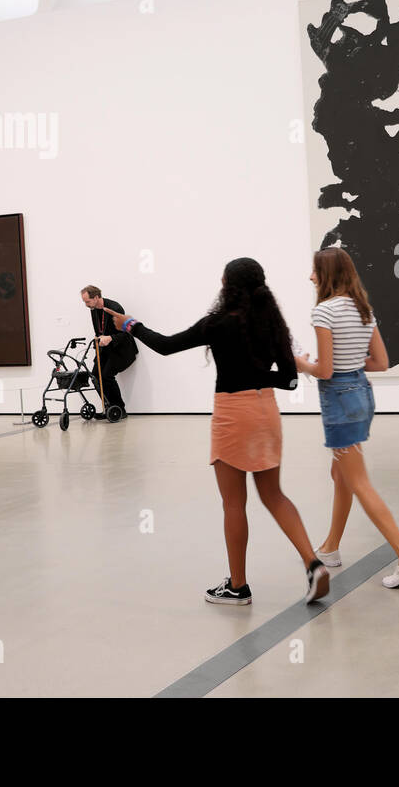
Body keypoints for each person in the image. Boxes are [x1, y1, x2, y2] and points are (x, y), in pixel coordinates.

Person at [103, 258, 329, 606]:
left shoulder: (217, 323)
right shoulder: (272, 322)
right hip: (265, 411)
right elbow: (289, 379)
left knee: (233, 503)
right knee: (274, 495)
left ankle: (237, 587)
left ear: (228, 285)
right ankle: (313, 563)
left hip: (232, 415)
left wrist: (130, 324)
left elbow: (166, 345)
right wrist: (257, 379)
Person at [295, 247, 399, 588]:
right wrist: (348, 362)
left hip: (338, 398)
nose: (310, 277)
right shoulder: (362, 309)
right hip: (362, 395)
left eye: (314, 271)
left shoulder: (323, 312)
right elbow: (381, 362)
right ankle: (331, 548)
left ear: (327, 275)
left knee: (359, 481)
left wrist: (299, 363)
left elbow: (323, 370)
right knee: (341, 474)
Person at [80, 285, 137, 419]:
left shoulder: (115, 308)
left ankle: (119, 409)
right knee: (95, 376)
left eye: (87, 301)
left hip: (121, 348)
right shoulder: (93, 309)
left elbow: (126, 332)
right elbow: (99, 331)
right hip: (105, 348)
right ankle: (109, 408)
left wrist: (110, 337)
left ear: (96, 297)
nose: (86, 305)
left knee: (106, 376)